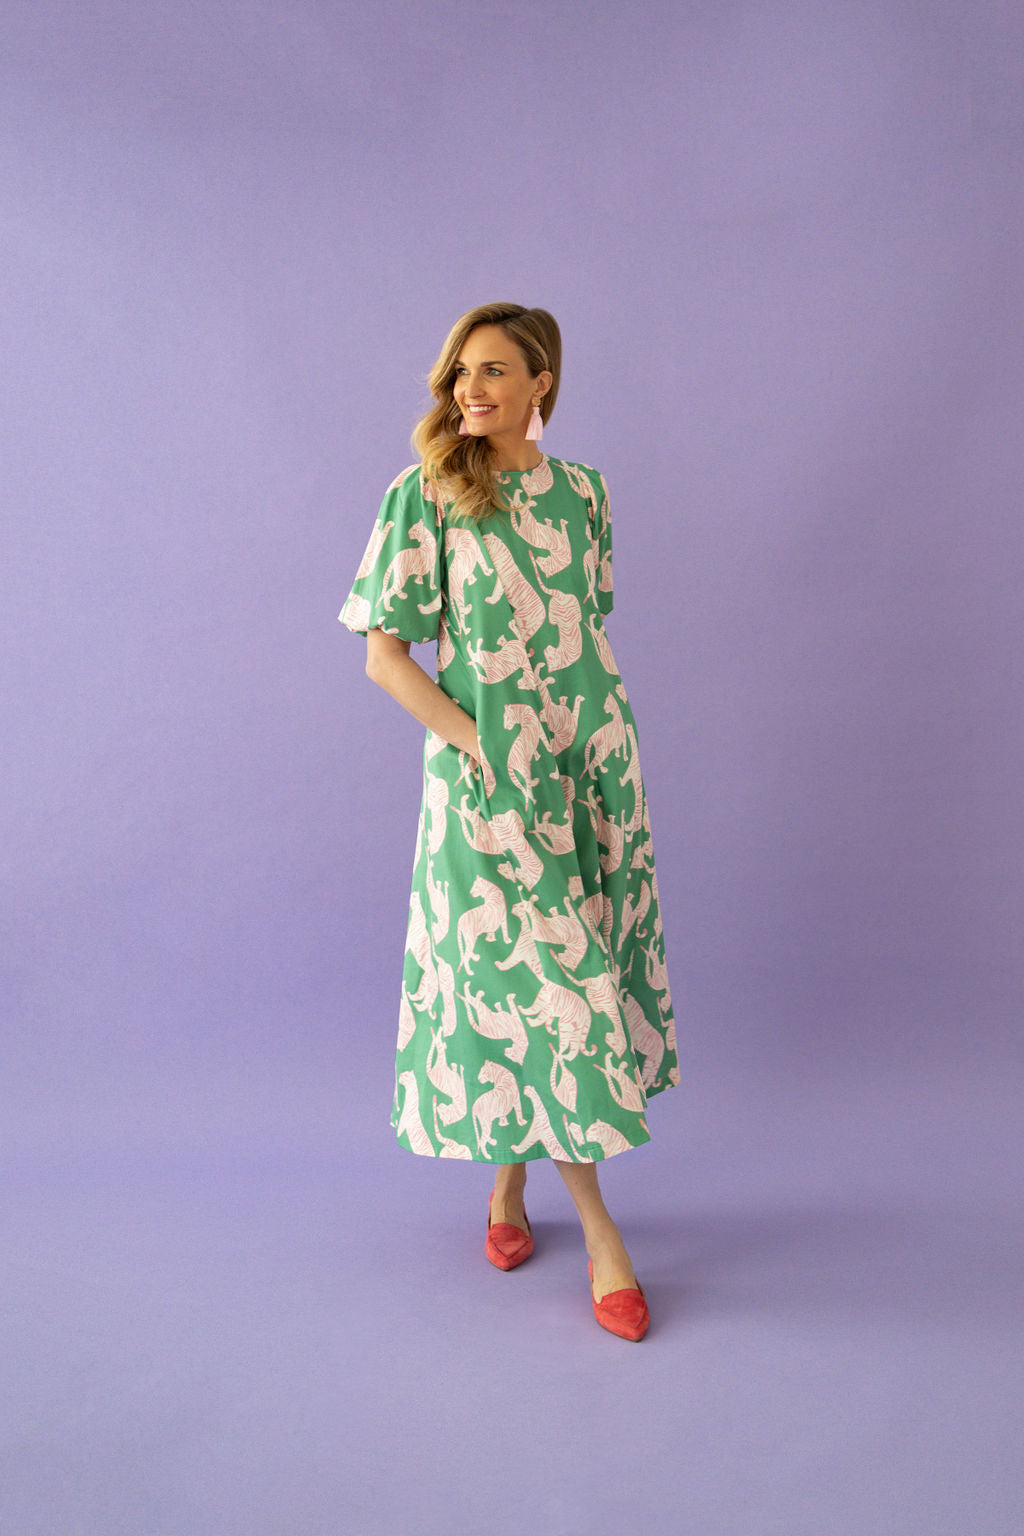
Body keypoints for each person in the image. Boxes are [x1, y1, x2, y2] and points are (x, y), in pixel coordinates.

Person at [339, 302, 678, 1340]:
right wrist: (480, 748)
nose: (468, 389)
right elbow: (385, 656)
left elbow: (584, 632)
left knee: (559, 984)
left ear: (541, 383)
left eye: (491, 370)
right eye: (459, 373)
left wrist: (594, 750)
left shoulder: (587, 495)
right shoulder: (427, 494)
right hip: (489, 787)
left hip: (592, 772)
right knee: (548, 990)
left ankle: (506, 1184)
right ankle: (604, 1236)